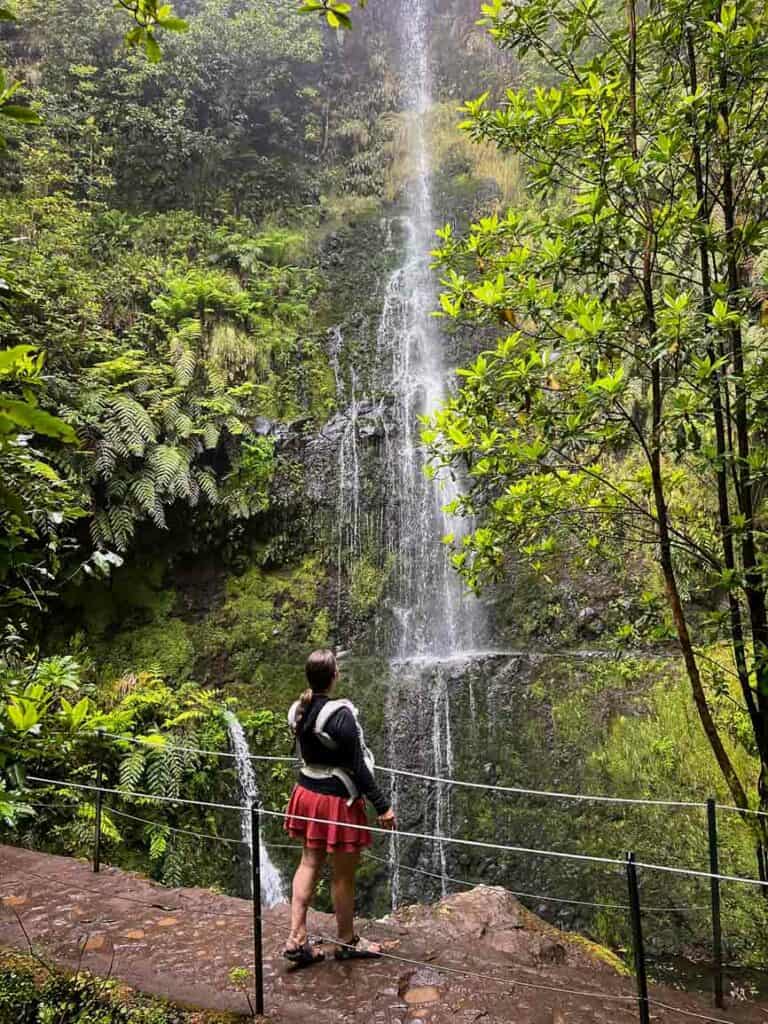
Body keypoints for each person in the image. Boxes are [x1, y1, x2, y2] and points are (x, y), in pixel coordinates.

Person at [283, 648, 396, 968]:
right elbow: (359, 768)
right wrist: (383, 807)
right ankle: (346, 941)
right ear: (335, 677)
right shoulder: (340, 715)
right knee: (343, 876)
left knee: (308, 863)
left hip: (307, 794)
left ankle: (297, 937)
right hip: (336, 802)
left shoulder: (298, 710)